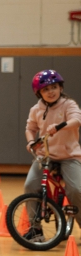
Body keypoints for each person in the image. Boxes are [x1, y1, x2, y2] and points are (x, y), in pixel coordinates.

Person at [23, 70, 81, 241]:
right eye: (45, 89)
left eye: (54, 87)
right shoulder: (36, 109)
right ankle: (35, 229)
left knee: (77, 189)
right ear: (39, 93)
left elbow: (77, 120)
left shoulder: (68, 105)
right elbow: (30, 128)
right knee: (30, 185)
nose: (51, 92)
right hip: (45, 155)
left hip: (69, 155)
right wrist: (30, 142)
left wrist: (60, 126)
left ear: (60, 87)